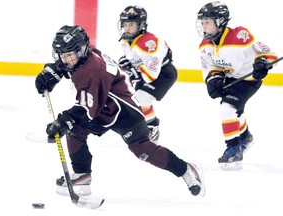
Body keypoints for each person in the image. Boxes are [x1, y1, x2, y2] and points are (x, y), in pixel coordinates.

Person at [35, 25, 205, 198]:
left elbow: (88, 110)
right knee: (75, 130)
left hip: (125, 109)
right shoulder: (82, 56)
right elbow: (71, 69)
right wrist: (55, 71)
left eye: (70, 55)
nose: (67, 60)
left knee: (143, 150)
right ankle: (82, 175)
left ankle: (186, 169)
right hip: (103, 107)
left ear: (82, 50)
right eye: (63, 56)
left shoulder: (92, 69)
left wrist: (64, 120)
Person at [196, 1, 278, 170]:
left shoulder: (240, 36)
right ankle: (245, 137)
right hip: (231, 79)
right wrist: (213, 78)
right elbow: (210, 66)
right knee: (234, 110)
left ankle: (234, 148)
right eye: (202, 22)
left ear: (220, 21)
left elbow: (269, 54)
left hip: (248, 80)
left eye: (207, 22)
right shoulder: (205, 45)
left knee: (227, 108)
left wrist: (262, 63)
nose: (204, 27)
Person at [117, 5, 178, 143]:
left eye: (131, 24)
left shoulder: (150, 43)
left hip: (163, 74)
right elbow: (136, 62)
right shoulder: (127, 40)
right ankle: (142, 123)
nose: (127, 28)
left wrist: (132, 74)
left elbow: (151, 74)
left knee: (141, 98)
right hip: (147, 73)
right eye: (125, 24)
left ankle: (152, 126)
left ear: (141, 25)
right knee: (133, 98)